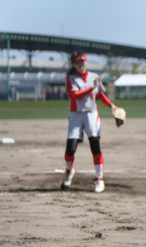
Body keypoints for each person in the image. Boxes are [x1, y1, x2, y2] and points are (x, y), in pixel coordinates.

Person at [61, 51, 117, 193]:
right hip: (76, 114)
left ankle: (99, 179)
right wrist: (91, 88)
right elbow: (74, 95)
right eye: (79, 61)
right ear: (73, 64)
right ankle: (69, 171)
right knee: (71, 149)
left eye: (83, 61)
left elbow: (100, 95)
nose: (82, 64)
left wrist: (111, 106)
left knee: (95, 146)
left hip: (91, 114)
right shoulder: (70, 77)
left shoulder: (94, 76)